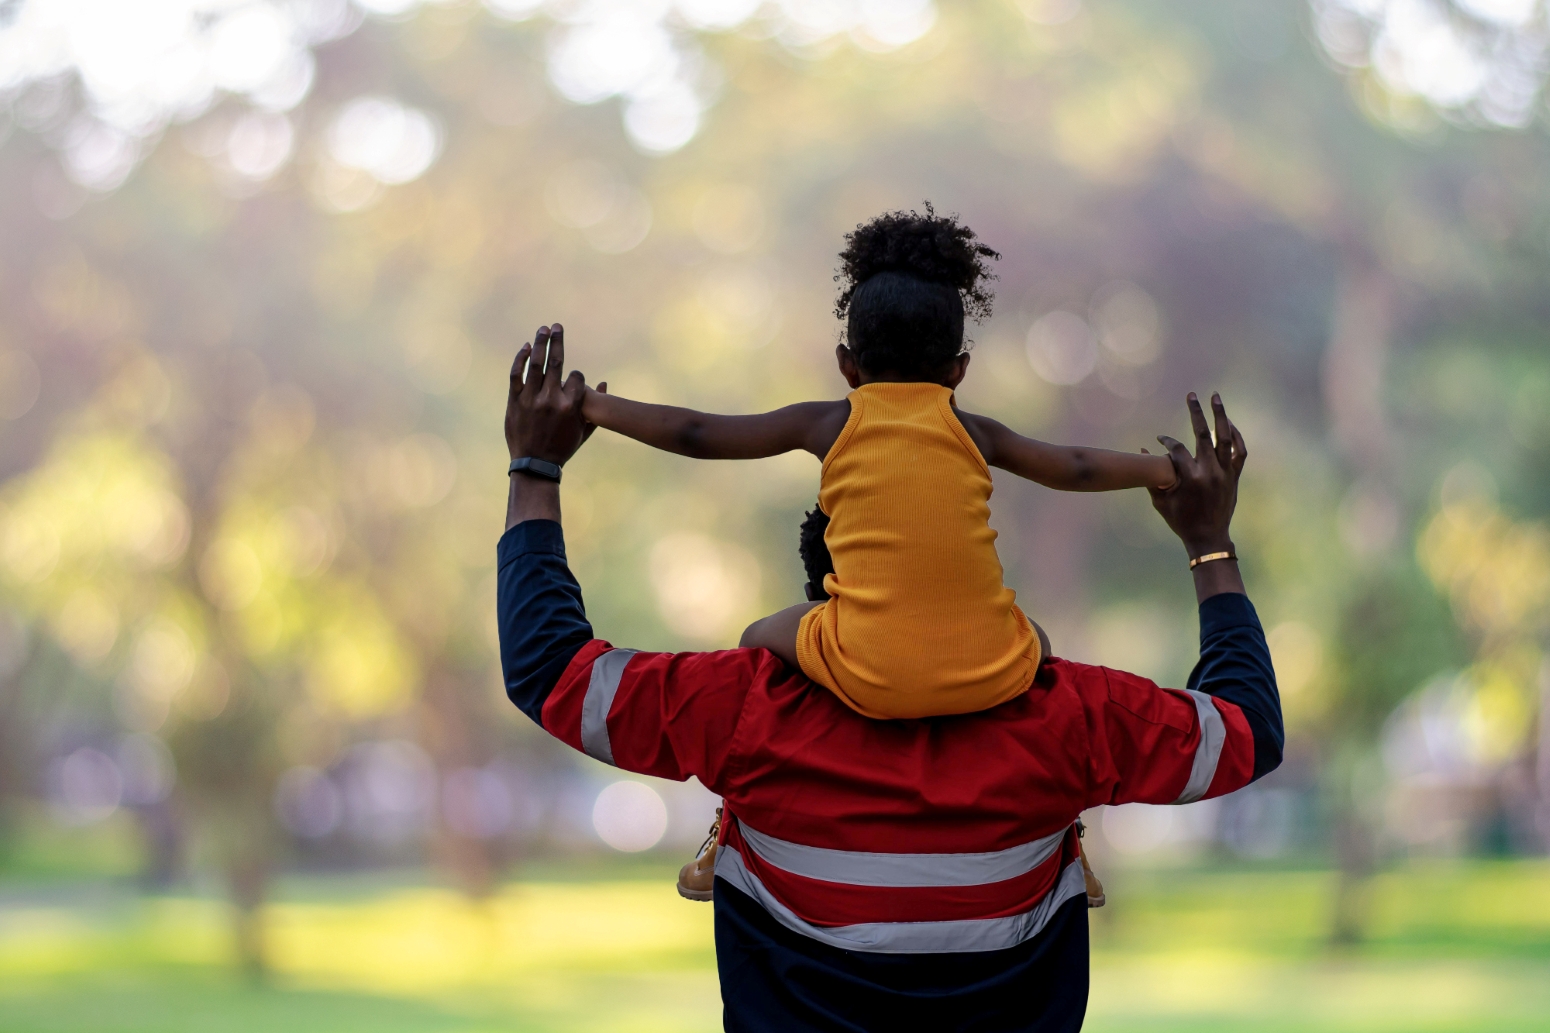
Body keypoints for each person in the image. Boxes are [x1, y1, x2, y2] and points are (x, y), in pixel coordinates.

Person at [499, 324, 1281, 1032]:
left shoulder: (742, 708)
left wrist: (535, 468)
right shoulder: (1070, 718)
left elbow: (550, 670)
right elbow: (1245, 731)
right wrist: (1209, 544)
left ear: (823, 592)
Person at [580, 205, 1176, 725]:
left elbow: (697, 432)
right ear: (958, 371)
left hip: (868, 671)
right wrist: (1164, 471)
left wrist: (595, 406)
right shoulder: (974, 431)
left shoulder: (828, 423)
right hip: (986, 672)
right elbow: (1074, 466)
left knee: (756, 636)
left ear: (847, 364)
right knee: (1038, 641)